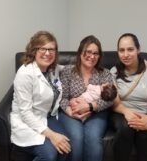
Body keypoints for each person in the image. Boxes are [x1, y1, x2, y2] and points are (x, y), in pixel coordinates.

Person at [10, 31, 71, 161]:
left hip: (48, 117)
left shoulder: (52, 68)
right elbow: (25, 113)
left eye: (51, 49)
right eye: (43, 49)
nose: (48, 53)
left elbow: (70, 68)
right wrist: (52, 135)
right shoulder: (25, 74)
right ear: (34, 50)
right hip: (27, 122)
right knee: (49, 155)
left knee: (65, 145)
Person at [110, 33, 147, 161]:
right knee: (126, 128)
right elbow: (115, 103)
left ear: (138, 49)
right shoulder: (113, 71)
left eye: (130, 49)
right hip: (121, 113)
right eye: (121, 50)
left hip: (146, 112)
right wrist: (127, 113)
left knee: (145, 131)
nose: (125, 54)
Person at [59, 35, 114, 161]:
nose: (92, 56)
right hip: (70, 112)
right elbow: (62, 98)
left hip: (96, 113)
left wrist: (90, 106)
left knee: (93, 138)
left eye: (96, 53)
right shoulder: (68, 71)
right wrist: (70, 112)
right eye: (88, 52)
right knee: (76, 137)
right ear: (80, 52)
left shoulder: (104, 73)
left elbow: (110, 98)